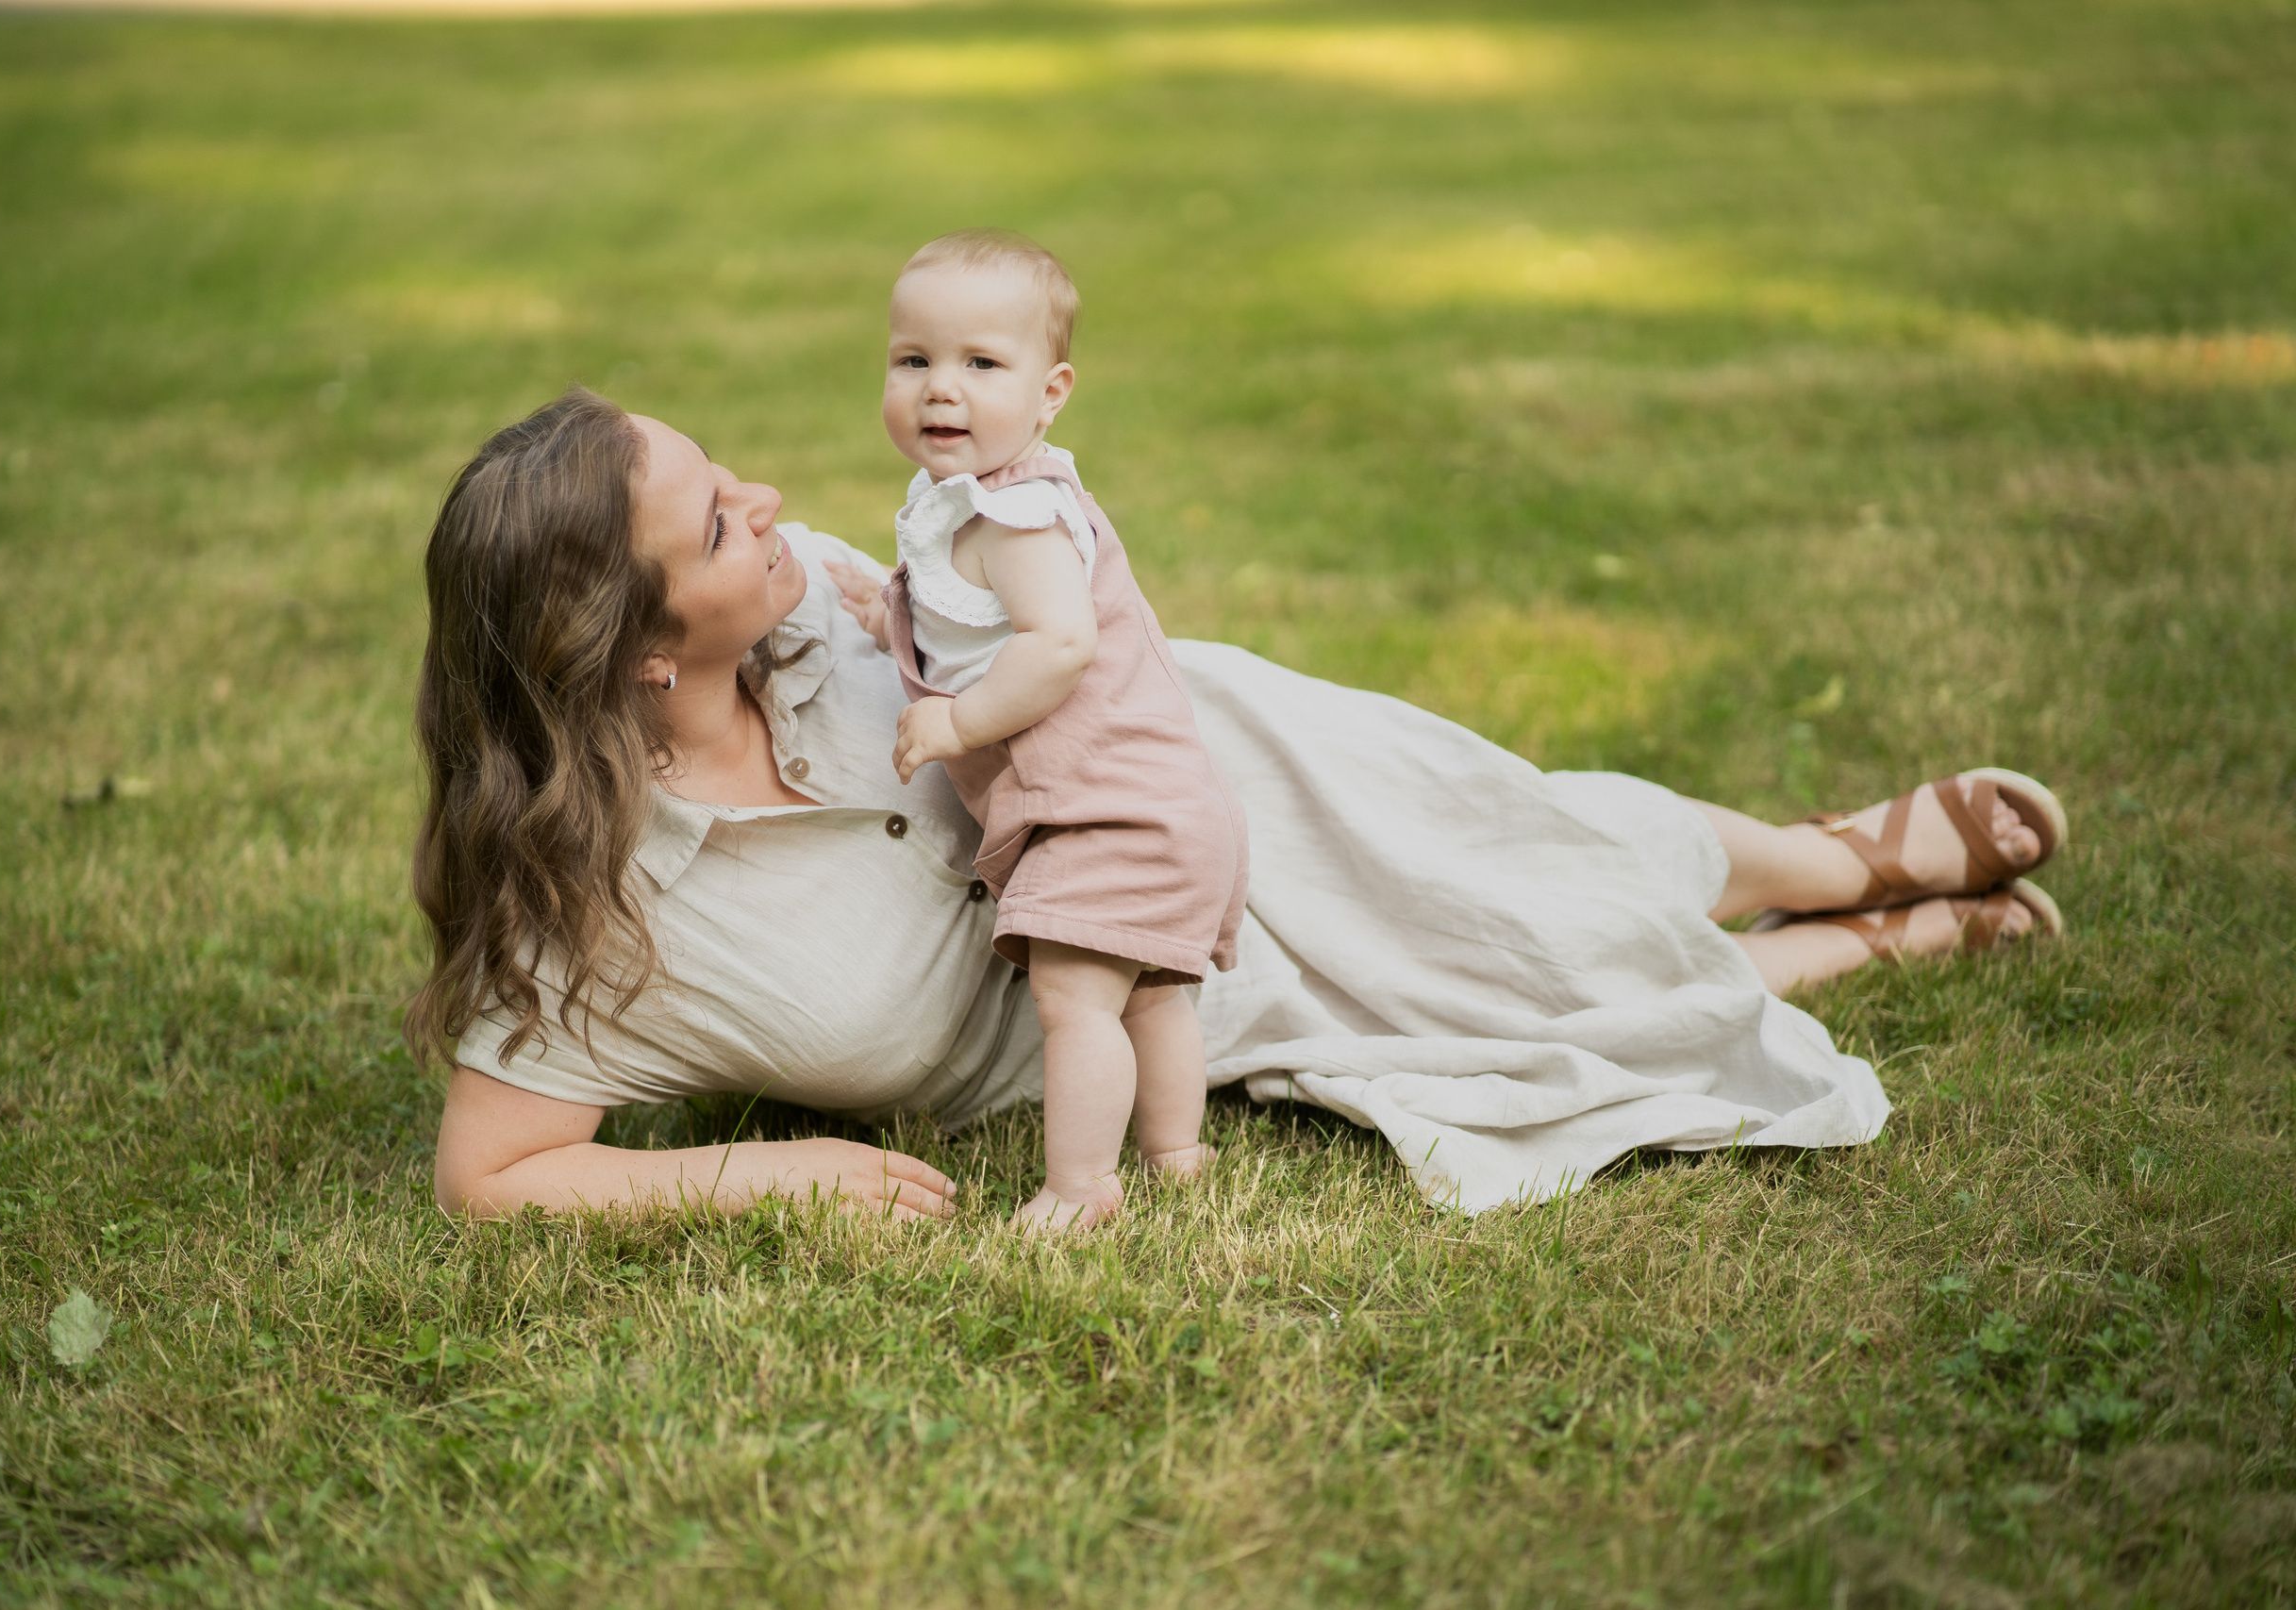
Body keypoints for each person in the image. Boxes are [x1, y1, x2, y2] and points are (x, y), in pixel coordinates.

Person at [418, 389, 2065, 1223]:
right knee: (1504, 1018)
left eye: (729, 474)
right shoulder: (596, 921)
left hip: (1201, 776)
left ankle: (1818, 855)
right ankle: (1856, 948)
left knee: (1489, 845)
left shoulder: (828, 595)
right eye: (716, 522)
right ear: (632, 656)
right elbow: (489, 1173)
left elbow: (1042, 619)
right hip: (1138, 999)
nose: (767, 503)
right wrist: (757, 1176)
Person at [845, 230, 1247, 1231]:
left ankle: (1081, 1189)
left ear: (1050, 391)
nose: (942, 389)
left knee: (1075, 1005)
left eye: (981, 363)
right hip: (1161, 802)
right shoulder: (960, 502)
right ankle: (1178, 1154)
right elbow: (958, 616)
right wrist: (883, 612)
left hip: (1110, 810)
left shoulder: (1020, 518)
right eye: (914, 361)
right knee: (1150, 996)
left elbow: (1058, 645)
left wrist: (956, 722)